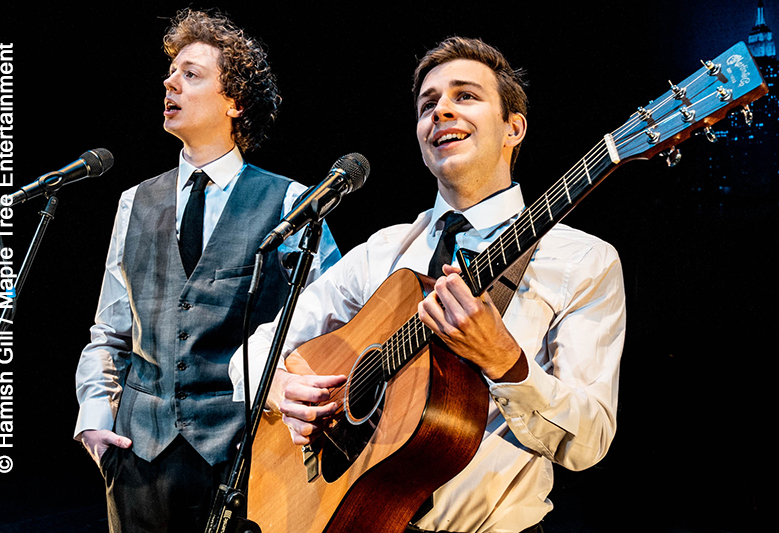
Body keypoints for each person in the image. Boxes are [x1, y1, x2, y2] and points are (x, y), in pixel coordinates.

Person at [231, 36, 625, 533]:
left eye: (466, 96)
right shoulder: (384, 251)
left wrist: (506, 363)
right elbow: (254, 353)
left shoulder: (581, 260)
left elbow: (589, 441)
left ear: (513, 128)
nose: (441, 111)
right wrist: (281, 389)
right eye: (427, 104)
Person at [73, 9, 340, 532]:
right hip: (137, 457)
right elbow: (110, 331)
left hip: (245, 457)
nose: (170, 82)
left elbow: (332, 328)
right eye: (171, 73)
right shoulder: (134, 201)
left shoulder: (291, 202)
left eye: (191, 74)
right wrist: (95, 422)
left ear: (234, 101)